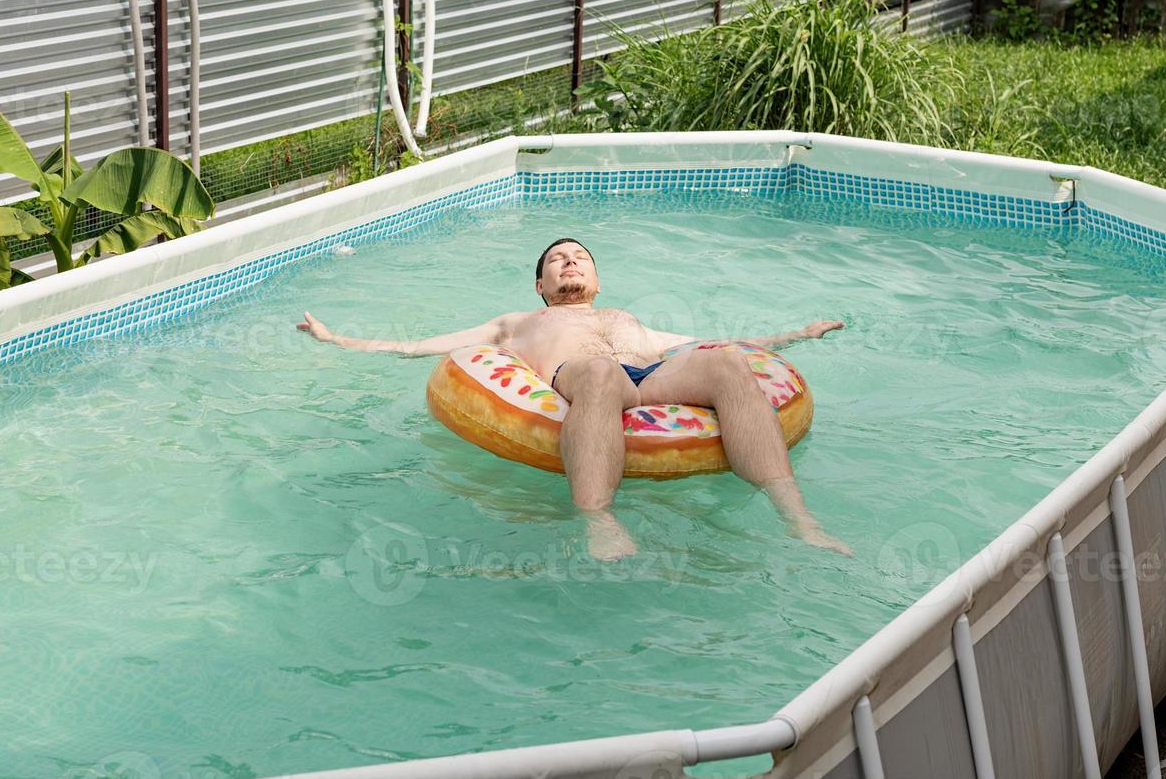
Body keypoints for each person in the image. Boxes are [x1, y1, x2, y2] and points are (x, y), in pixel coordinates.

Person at [296, 237, 850, 561]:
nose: (569, 262)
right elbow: (418, 346)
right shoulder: (516, 322)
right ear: (540, 285)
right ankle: (600, 523)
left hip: (650, 373)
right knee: (598, 374)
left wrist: (795, 335)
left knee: (727, 364)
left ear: (597, 279)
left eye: (579, 257)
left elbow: (709, 342)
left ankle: (798, 518)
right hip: (582, 375)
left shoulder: (625, 318)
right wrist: (336, 339)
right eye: (557, 260)